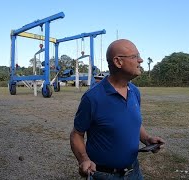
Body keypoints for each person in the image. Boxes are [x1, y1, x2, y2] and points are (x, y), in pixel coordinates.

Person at [70, 39, 165, 179]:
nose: (141, 60)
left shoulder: (134, 91)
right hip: (104, 175)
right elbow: (76, 134)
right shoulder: (92, 98)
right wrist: (84, 159)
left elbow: (132, 122)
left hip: (134, 171)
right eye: (135, 56)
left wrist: (147, 139)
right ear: (118, 62)